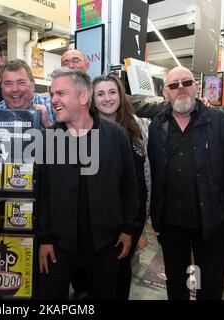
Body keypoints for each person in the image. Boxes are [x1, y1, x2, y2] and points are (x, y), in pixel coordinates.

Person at [147, 66, 224, 300]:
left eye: (186, 82)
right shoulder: (157, 126)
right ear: (165, 92)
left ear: (196, 86)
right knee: (176, 284)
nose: (181, 88)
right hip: (172, 226)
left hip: (212, 225)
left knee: (210, 287)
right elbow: (152, 172)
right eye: (174, 85)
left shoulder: (219, 122)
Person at [36, 68, 139, 300]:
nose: (53, 100)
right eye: (52, 94)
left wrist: (128, 229)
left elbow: (129, 186)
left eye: (60, 93)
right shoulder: (48, 138)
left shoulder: (116, 136)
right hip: (59, 249)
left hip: (105, 246)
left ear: (83, 97)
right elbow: (43, 192)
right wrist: (44, 239)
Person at [92, 73, 150, 300]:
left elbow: (145, 171)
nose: (107, 98)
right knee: (100, 275)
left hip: (132, 216)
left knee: (123, 269)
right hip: (102, 218)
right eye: (100, 93)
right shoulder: (87, 128)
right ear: (92, 99)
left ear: (120, 95)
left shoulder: (134, 125)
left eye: (112, 92)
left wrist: (143, 213)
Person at [60, 48, 171, 118]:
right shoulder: (56, 97)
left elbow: (144, 108)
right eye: (66, 62)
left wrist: (176, 103)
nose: (71, 65)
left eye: (76, 60)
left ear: (87, 65)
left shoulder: (100, 89)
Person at [0, 59, 55, 128]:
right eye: (8, 83)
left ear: (32, 85)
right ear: (1, 87)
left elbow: (65, 137)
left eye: (21, 82)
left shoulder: (53, 106)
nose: (15, 89)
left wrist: (48, 124)